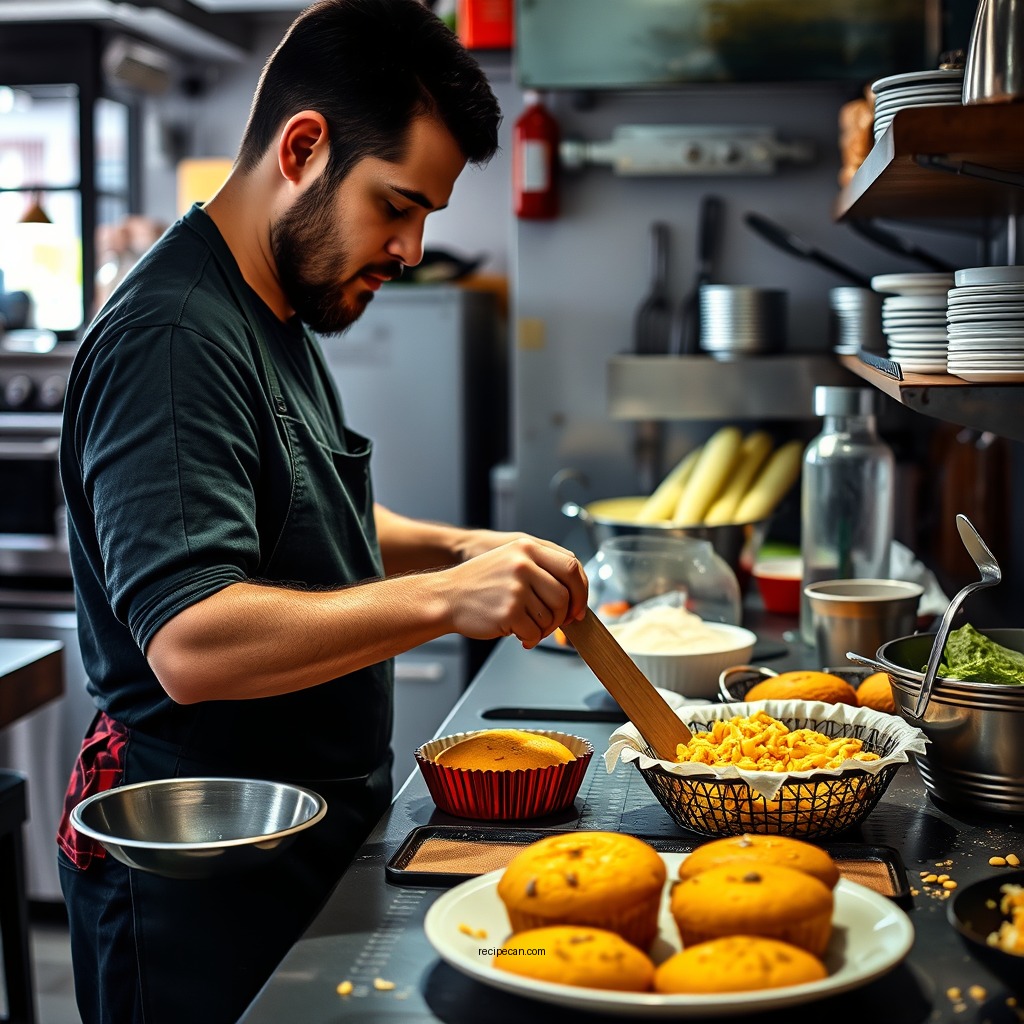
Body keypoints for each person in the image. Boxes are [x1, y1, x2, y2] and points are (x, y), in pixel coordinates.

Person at [56, 2, 589, 1021]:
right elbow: (194, 639)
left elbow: (300, 507)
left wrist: (463, 546)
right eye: (395, 205)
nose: (410, 245)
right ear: (302, 148)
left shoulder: (272, 305)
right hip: (198, 869)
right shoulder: (174, 336)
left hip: (288, 839)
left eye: (424, 214)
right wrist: (446, 598)